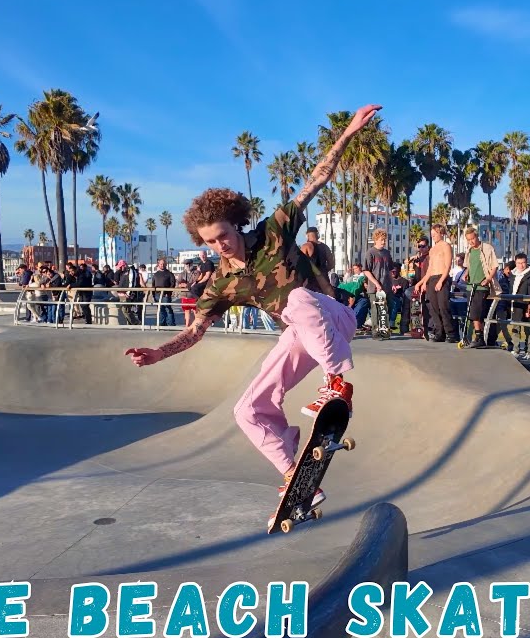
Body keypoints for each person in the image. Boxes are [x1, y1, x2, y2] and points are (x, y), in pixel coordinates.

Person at [124, 104, 380, 517]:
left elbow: (316, 179)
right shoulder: (222, 282)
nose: (219, 246)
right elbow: (194, 331)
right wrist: (158, 352)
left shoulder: (274, 230)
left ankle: (337, 385)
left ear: (236, 226)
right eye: (210, 242)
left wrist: (348, 134)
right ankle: (298, 477)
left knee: (296, 300)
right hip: (299, 334)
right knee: (248, 411)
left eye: (223, 236)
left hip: (334, 317)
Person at [415, 224, 457, 342]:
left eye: (435, 234)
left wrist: (441, 280)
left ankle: (450, 333)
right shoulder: (432, 250)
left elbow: (448, 265)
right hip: (432, 278)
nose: (433, 236)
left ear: (441, 233)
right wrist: (422, 283)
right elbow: (430, 269)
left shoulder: (446, 246)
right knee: (433, 307)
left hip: (442, 277)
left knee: (443, 306)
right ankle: (439, 332)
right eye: (432, 234)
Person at [461, 228, 499, 348]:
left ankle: (480, 337)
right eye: (468, 240)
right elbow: (469, 265)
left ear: (477, 237)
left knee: (477, 313)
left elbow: (494, 266)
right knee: (472, 313)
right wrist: (466, 273)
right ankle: (478, 336)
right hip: (471, 285)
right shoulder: (470, 250)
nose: (471, 242)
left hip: (481, 286)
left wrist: (487, 279)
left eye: (473, 238)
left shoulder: (487, 248)